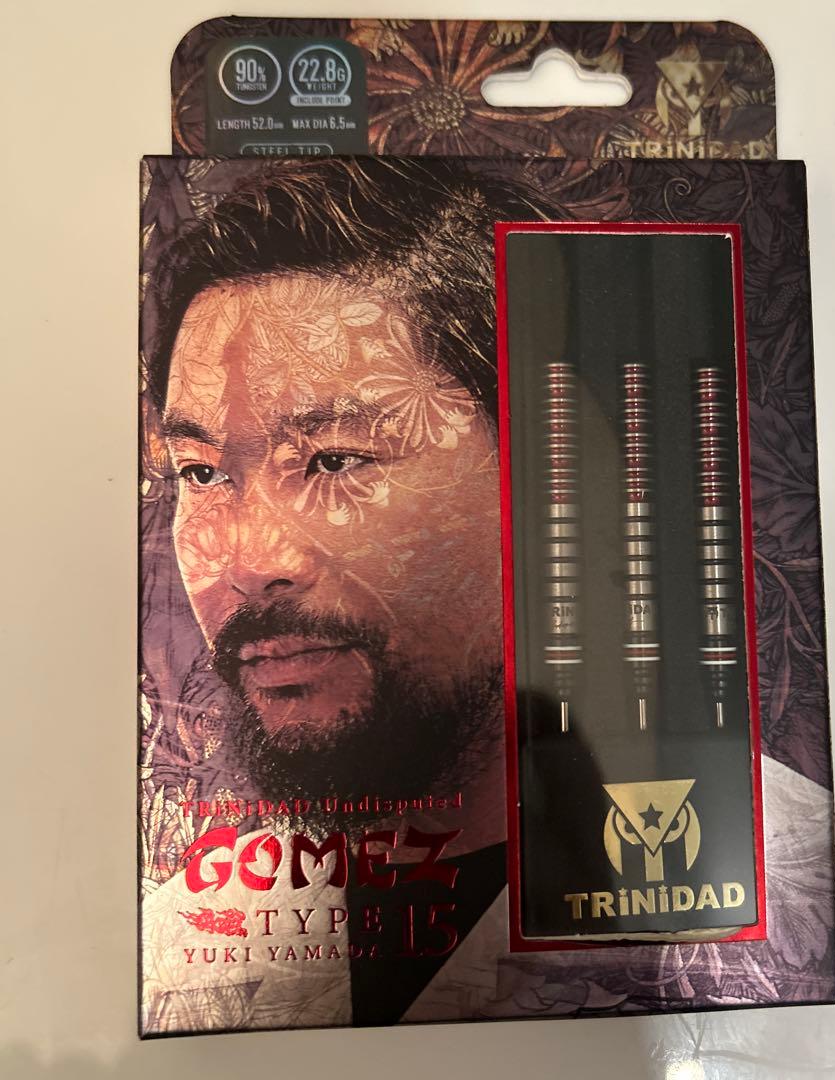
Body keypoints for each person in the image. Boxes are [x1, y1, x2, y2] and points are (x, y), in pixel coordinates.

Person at [141, 157, 548, 1032]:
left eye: (334, 460)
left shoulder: (766, 899)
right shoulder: (175, 953)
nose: (247, 561)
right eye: (201, 472)